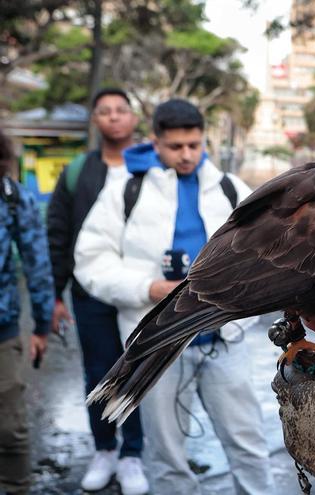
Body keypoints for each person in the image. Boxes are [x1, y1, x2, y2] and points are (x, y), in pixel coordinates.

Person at [74, 99, 275, 494]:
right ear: (156, 142)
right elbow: (90, 261)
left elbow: (269, 262)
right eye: (175, 146)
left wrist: (236, 312)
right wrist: (147, 289)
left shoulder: (232, 189)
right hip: (156, 345)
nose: (186, 155)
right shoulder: (126, 191)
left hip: (224, 342)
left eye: (194, 145)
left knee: (248, 446)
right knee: (166, 456)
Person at [46, 87, 149, 495]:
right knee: (97, 370)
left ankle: (133, 454)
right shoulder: (77, 172)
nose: (113, 117)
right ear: (95, 120)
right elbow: (57, 233)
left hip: (138, 291)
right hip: (89, 294)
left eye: (120, 110)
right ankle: (105, 448)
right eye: (104, 111)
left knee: (138, 368)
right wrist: (53, 296)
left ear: (133, 118)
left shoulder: (151, 169)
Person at [0, 129, 54, 495]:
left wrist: (41, 325)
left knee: (10, 426)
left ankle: (16, 486)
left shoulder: (13, 198)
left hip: (2, 332)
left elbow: (37, 264)